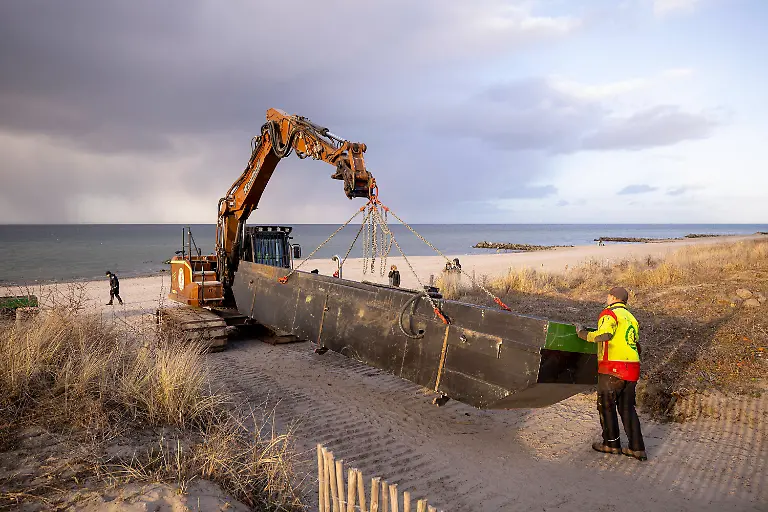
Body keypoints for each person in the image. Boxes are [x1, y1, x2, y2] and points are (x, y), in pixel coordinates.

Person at [573, 286, 646, 461]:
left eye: (608, 295)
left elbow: (605, 335)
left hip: (613, 367)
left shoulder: (610, 313)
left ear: (613, 297)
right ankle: (637, 448)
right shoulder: (631, 318)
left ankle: (611, 444)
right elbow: (637, 345)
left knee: (605, 405)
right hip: (632, 367)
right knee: (627, 408)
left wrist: (583, 334)